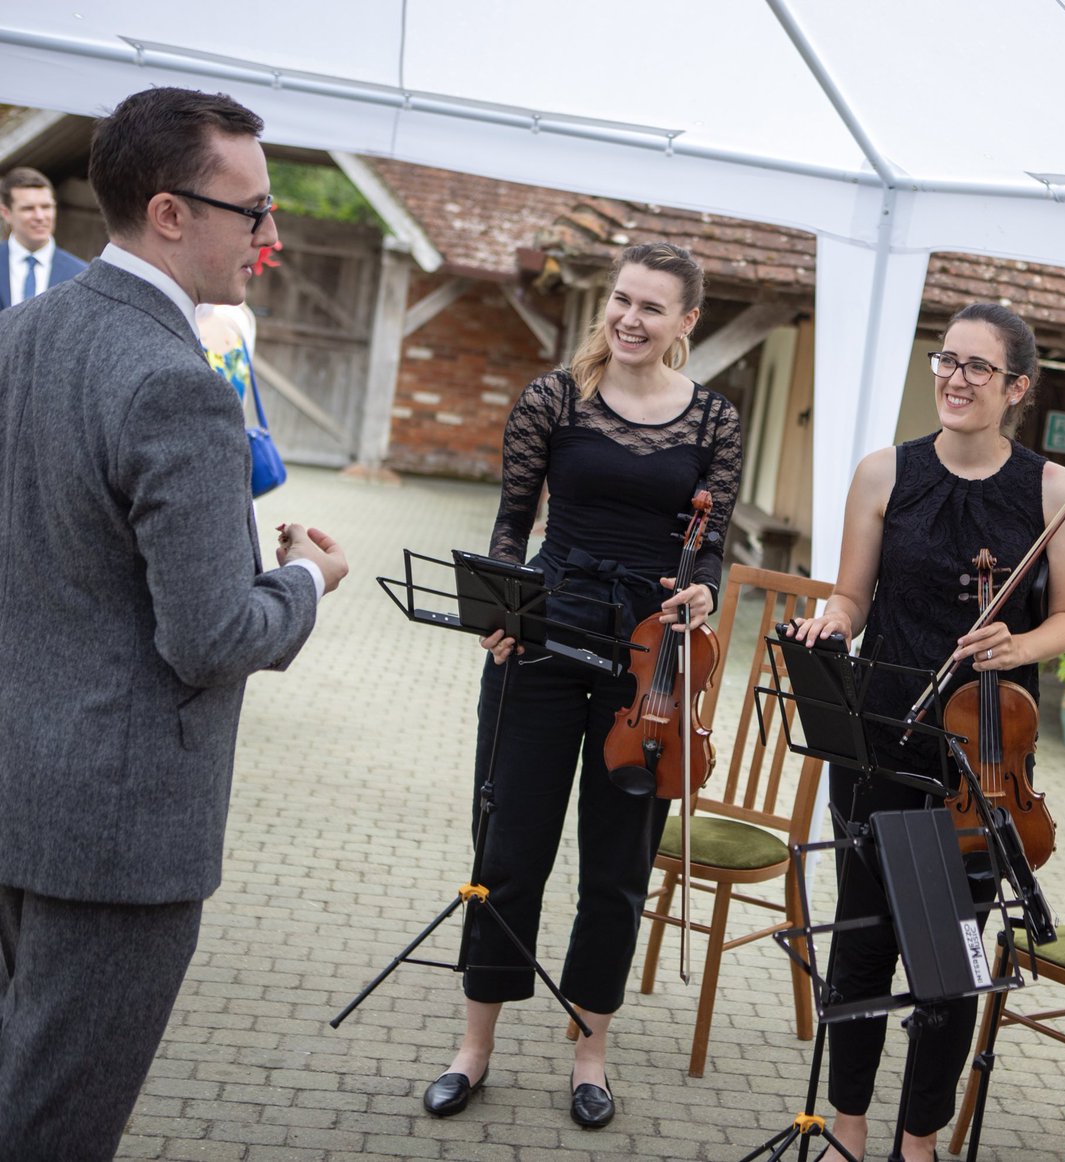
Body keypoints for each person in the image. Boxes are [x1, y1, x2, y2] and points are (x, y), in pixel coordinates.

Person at [0, 87, 348, 1162]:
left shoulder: (23, 332)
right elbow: (208, 638)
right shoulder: (175, 385)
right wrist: (305, 583)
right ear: (169, 212)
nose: (271, 235)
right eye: (254, 210)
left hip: (17, 781)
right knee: (56, 1125)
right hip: (117, 828)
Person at [422, 241, 742, 1128]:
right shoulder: (552, 400)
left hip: (648, 663)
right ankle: (475, 1044)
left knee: (617, 866)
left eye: (652, 308)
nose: (630, 320)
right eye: (622, 301)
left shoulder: (715, 420)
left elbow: (710, 543)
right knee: (509, 847)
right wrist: (500, 607)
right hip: (548, 639)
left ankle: (590, 1050)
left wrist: (704, 585)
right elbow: (509, 525)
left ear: (686, 323)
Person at [786, 302, 1065, 1162]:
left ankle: (916, 1140)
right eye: (945, 361)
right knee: (863, 939)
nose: (955, 379)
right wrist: (831, 628)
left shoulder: (1053, 491)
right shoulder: (884, 473)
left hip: (984, 756)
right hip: (884, 730)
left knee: (950, 964)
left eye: (978, 368)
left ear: (1017, 388)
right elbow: (851, 597)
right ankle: (847, 1126)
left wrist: (1017, 643)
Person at [0, 166, 87, 308]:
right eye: (28, 208)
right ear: (6, 213)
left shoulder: (80, 274)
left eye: (46, 207)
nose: (40, 217)